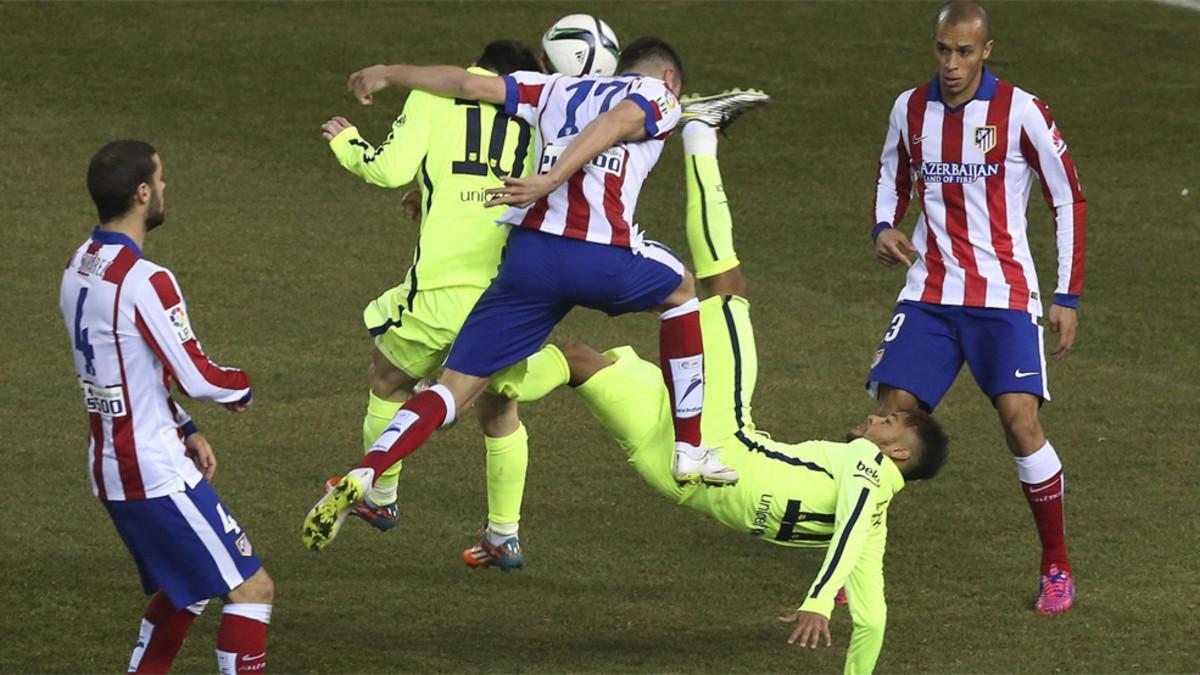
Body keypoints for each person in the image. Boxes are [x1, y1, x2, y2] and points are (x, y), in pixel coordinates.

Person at [486, 120, 949, 675]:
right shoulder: (877, 523)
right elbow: (873, 620)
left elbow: (846, 529)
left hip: (717, 439)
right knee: (580, 361)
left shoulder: (869, 471)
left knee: (724, 290)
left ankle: (700, 136)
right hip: (673, 474)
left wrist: (818, 603)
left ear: (898, 453)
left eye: (891, 422)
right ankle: (475, 380)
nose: (878, 417)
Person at [304, 37, 742, 552]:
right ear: (669, 78)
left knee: (450, 391)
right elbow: (613, 124)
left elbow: (466, 84)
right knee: (684, 292)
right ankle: (690, 448)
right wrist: (550, 178)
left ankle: (366, 474)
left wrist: (389, 70)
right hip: (599, 254)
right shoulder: (658, 95)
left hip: (530, 262)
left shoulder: (554, 88)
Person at [866, 0, 1086, 615]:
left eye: (965, 52)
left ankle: (1056, 566)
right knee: (888, 420)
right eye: (943, 50)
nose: (952, 64)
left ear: (985, 51)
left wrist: (1067, 295)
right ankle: (854, 567)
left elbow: (1066, 198)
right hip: (930, 294)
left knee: (1021, 421)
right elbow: (893, 172)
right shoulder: (910, 108)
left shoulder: (1022, 111)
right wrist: (884, 224)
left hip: (1005, 296)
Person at [319, 39, 548, 570]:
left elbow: (389, 168)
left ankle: (379, 498)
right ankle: (504, 535)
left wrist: (347, 142)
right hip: (510, 295)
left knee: (388, 379)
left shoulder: (432, 95)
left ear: (477, 67)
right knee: (499, 408)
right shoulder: (538, 112)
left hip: (441, 291)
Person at [59, 141, 271, 673]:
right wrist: (242, 387)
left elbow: (121, 373)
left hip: (114, 464)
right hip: (151, 470)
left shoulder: (79, 265)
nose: (167, 188)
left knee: (188, 588)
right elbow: (198, 375)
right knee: (252, 588)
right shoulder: (145, 280)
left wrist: (186, 426)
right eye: (162, 178)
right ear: (142, 193)